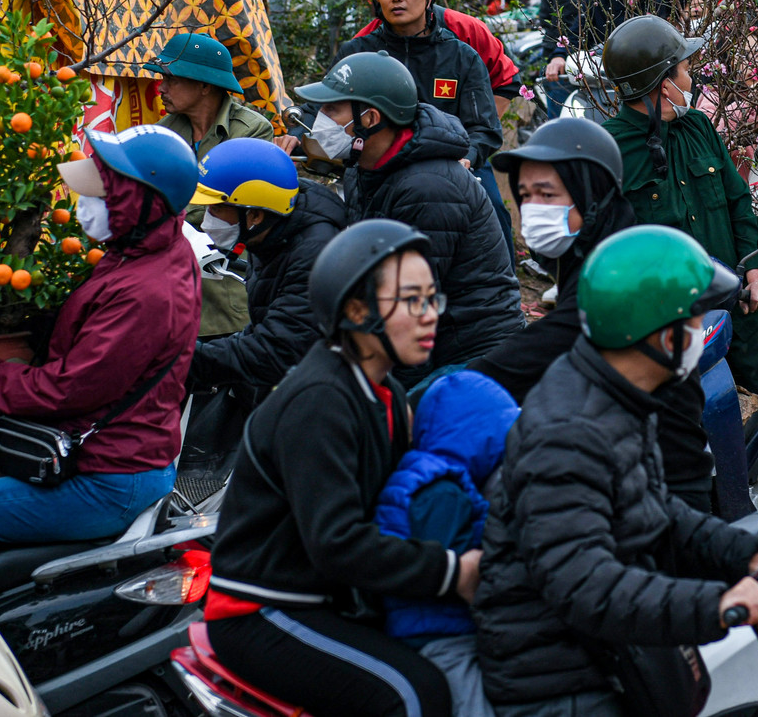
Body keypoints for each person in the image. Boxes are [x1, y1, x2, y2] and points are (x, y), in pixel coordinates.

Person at [474, 225, 758, 715]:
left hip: (606, 654)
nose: (704, 333)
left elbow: (654, 510)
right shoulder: (569, 432)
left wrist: (748, 554)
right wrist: (714, 605)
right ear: (660, 334)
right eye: (697, 320)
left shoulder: (617, 396)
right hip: (559, 682)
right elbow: (583, 584)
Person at [203, 220, 464, 717]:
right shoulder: (322, 399)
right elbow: (338, 542)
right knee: (414, 693)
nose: (430, 316)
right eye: (412, 301)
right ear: (356, 311)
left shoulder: (385, 396)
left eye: (434, 298)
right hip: (264, 610)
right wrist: (453, 572)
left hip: (323, 599)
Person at [0, 125, 202, 581]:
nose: (86, 198)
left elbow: (70, 388)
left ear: (141, 201)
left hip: (109, 478)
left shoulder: (145, 292)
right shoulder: (145, 252)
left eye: (104, 188)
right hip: (120, 457)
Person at [602, 15, 758, 496]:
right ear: (663, 82)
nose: (693, 78)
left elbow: (738, 203)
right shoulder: (611, 149)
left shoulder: (698, 128)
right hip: (670, 324)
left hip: (740, 300)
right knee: (695, 431)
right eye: (685, 69)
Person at [475, 119, 720, 511]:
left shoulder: (623, 271)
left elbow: (555, 338)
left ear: (592, 193)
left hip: (667, 493)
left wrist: (450, 388)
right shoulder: (583, 253)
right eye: (526, 195)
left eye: (548, 193)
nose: (534, 208)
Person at [297, 53, 523, 372]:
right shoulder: (365, 167)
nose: (320, 118)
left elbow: (410, 310)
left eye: (331, 108)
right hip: (421, 340)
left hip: (469, 356)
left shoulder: (428, 188)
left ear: (371, 119)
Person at [376, 369, 520, 717]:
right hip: (437, 638)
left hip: (433, 629)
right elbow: (446, 569)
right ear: (478, 438)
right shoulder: (442, 492)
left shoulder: (429, 477)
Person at [186, 138, 344, 399]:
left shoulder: (313, 257)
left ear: (255, 215)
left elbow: (276, 352)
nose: (207, 220)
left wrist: (183, 358)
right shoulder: (269, 233)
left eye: (216, 208)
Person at [345, 0, 504, 171]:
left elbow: (484, 129)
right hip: (371, 174)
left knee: (491, 205)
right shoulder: (356, 54)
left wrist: (469, 156)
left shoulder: (462, 58)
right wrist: (296, 135)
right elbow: (323, 112)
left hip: (447, 173)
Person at [145, 31, 274, 161]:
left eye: (172, 80)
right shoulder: (165, 131)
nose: (161, 88)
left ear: (205, 86)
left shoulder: (250, 131)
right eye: (163, 79)